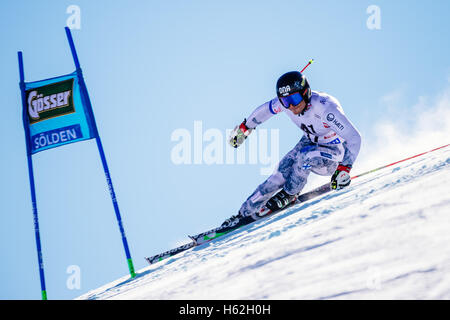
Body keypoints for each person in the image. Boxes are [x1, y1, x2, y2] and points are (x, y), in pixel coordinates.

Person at [224, 71, 362, 226]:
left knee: (305, 156)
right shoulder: (286, 104)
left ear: (306, 93)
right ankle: (244, 213)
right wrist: (245, 128)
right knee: (281, 171)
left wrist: (344, 168)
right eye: (285, 101)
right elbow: (264, 111)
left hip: (334, 154)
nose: (291, 106)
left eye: (295, 99)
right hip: (310, 141)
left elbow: (354, 138)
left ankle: (290, 194)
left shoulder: (326, 108)